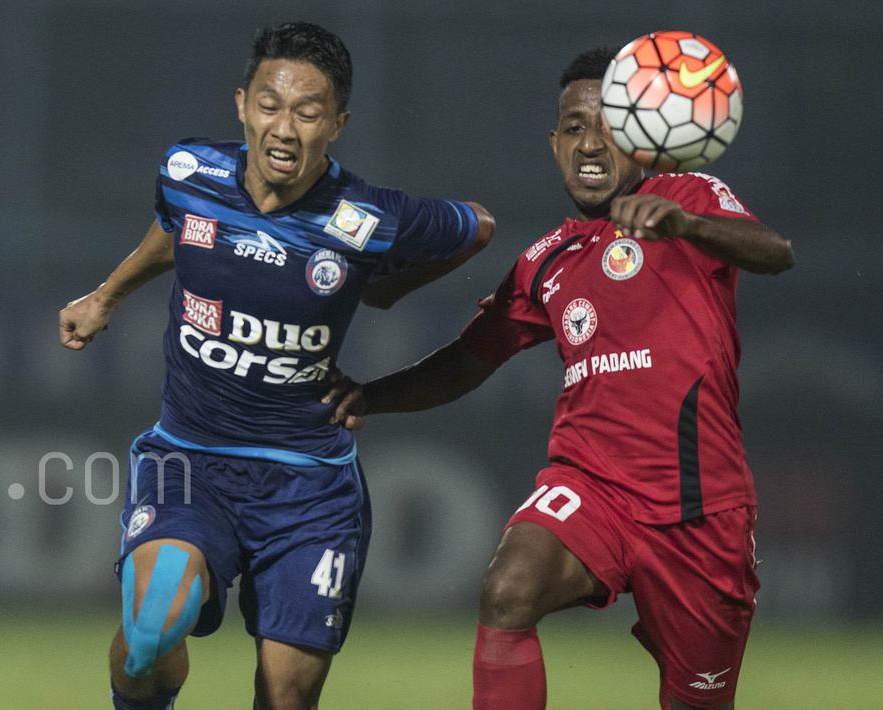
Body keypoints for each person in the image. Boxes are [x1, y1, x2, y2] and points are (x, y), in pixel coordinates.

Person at [324, 46, 793, 710]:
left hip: (698, 510)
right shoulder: (545, 262)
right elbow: (463, 363)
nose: (588, 141)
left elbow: (776, 252)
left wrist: (686, 224)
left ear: (642, 138)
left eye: (607, 124)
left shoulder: (682, 198)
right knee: (508, 587)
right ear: (553, 144)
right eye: (573, 127)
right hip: (591, 486)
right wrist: (367, 395)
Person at [58, 22, 494, 710]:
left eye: (307, 111)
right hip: (189, 462)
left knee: (286, 698)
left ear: (338, 123)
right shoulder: (187, 172)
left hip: (308, 488)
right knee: (147, 636)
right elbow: (176, 231)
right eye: (269, 105)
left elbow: (478, 225)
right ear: (241, 105)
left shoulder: (368, 218)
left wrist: (385, 284)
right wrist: (106, 294)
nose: (284, 128)